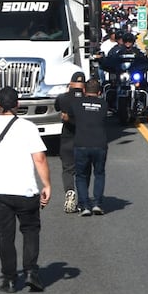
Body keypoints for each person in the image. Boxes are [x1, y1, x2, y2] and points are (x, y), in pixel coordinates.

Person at [0, 86, 51, 293]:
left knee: (5, 236)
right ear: (18, 105)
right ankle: (31, 272)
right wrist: (46, 185)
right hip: (26, 190)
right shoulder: (28, 127)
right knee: (30, 230)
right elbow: (39, 158)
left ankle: (10, 279)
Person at [65, 78, 108, 216]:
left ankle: (85, 206)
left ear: (84, 90)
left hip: (81, 143)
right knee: (99, 174)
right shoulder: (104, 104)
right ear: (100, 92)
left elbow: (67, 116)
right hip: (99, 144)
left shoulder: (77, 103)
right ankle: (97, 204)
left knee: (81, 175)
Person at [54, 72, 86, 214]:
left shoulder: (63, 98)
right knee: (82, 172)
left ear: (71, 83)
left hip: (67, 138)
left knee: (67, 169)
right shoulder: (87, 99)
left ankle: (70, 191)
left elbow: (56, 107)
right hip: (84, 139)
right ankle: (83, 200)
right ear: (84, 86)